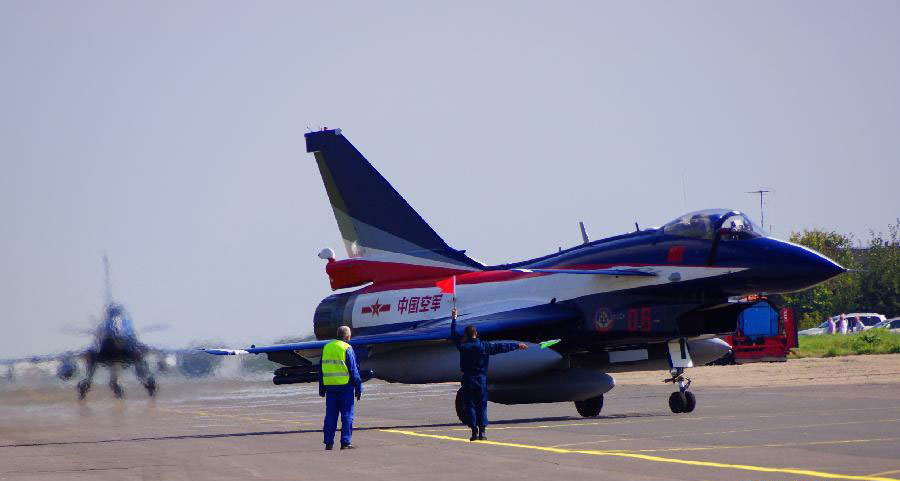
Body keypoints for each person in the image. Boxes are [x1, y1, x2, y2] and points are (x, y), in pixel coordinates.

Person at [450, 307, 527, 442]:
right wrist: (516, 345)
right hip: (481, 379)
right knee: (482, 405)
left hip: (468, 379)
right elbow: (501, 347)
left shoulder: (464, 347)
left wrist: (454, 319)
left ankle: (474, 433)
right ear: (476, 333)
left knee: (471, 405)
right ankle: (483, 433)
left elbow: (454, 335)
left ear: (466, 335)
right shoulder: (485, 346)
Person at [319, 325, 362, 450]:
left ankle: (328, 443)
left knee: (330, 415)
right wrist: (358, 388)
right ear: (348, 336)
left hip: (330, 387)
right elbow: (354, 370)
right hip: (345, 386)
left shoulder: (327, 347)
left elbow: (320, 369)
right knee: (347, 414)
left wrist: (321, 388)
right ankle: (345, 442)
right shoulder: (347, 348)